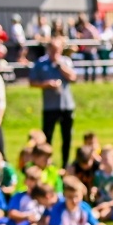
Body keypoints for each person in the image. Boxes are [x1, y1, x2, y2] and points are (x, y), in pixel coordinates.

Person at [30, 37, 77, 169]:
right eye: (53, 49)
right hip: (50, 107)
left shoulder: (66, 62)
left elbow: (73, 77)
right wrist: (46, 84)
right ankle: (46, 162)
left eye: (58, 49)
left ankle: (65, 164)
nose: (55, 52)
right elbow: (32, 82)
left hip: (66, 105)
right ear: (48, 49)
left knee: (67, 137)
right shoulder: (40, 63)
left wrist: (60, 65)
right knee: (47, 137)